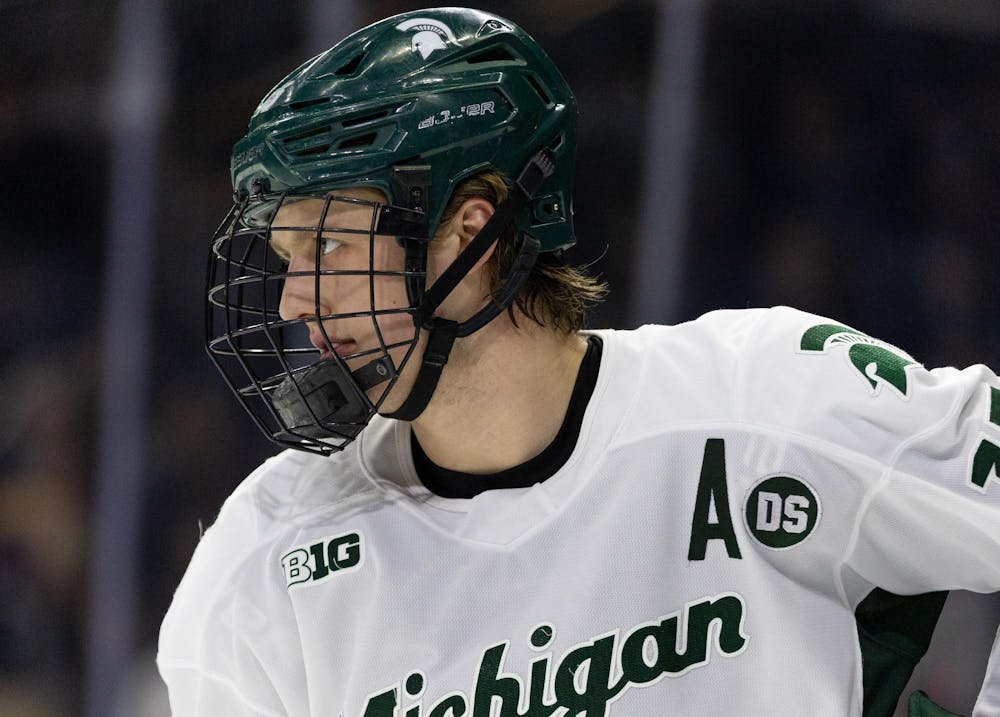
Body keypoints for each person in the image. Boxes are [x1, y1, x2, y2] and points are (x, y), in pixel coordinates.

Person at [158, 7, 1000, 716]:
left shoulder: (763, 404)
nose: (293, 301)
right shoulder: (263, 570)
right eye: (286, 257)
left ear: (472, 229)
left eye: (329, 245)